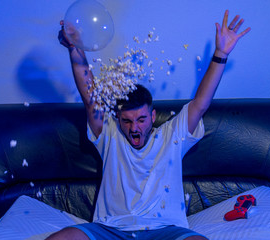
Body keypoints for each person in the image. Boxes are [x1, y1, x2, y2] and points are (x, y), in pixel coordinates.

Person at [47, 10, 251, 240]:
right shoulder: (110, 135)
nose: (134, 127)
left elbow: (201, 104)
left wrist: (221, 53)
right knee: (61, 238)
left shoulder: (172, 134)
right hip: (111, 230)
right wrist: (75, 48)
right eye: (127, 121)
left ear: (153, 117)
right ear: (118, 119)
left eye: (141, 119)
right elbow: (89, 96)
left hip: (165, 231)